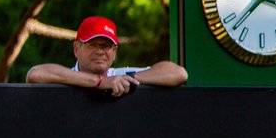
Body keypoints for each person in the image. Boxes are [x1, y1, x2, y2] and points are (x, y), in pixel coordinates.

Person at [26, 16, 188, 95]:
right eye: (93, 45)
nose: (100, 51)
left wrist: (130, 79)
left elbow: (178, 73)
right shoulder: (64, 78)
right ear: (76, 49)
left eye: (106, 46)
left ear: (115, 52)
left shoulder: (121, 76)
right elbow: (35, 74)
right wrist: (100, 82)